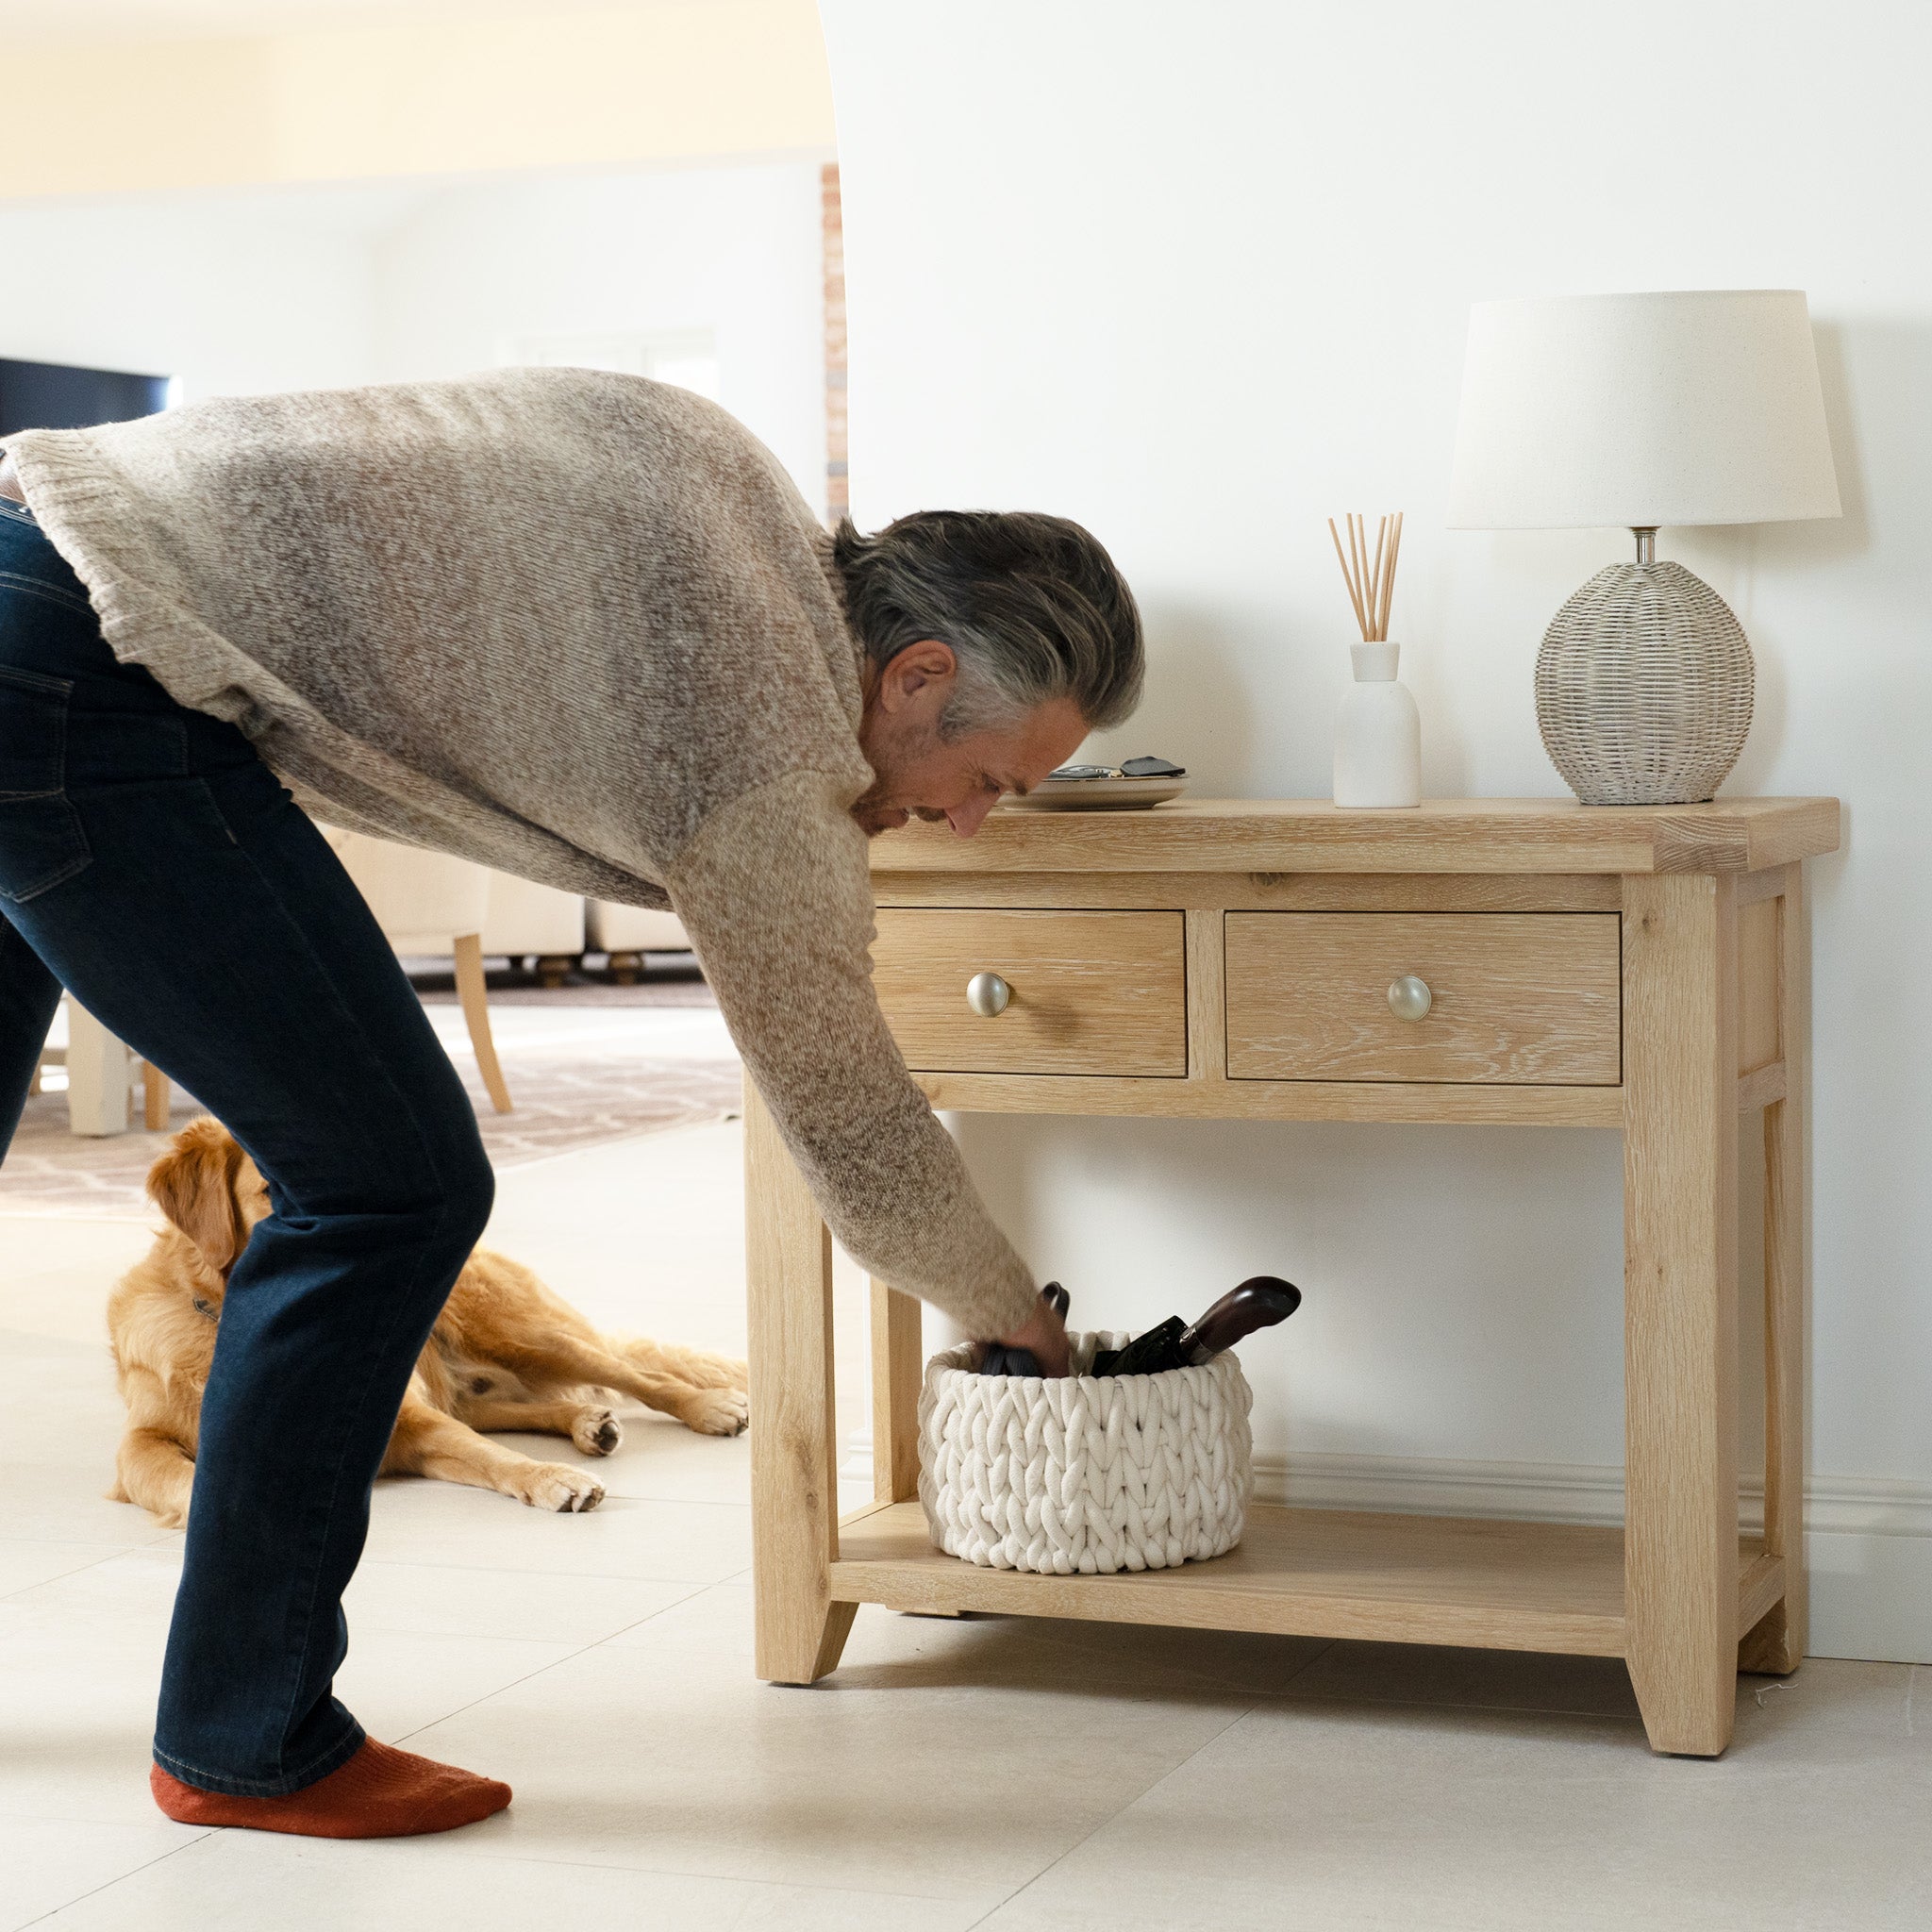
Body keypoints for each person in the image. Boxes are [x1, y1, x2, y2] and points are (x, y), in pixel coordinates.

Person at [0, 369, 1142, 1840]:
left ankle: (240, 1727)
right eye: (984, 776)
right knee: (388, 1185)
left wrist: (856, 805)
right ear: (914, 674)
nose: (973, 820)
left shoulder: (738, 495)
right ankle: (246, 1737)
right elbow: (850, 1121)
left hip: (27, 561)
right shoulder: (767, 735)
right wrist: (1015, 1317)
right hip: (80, 674)